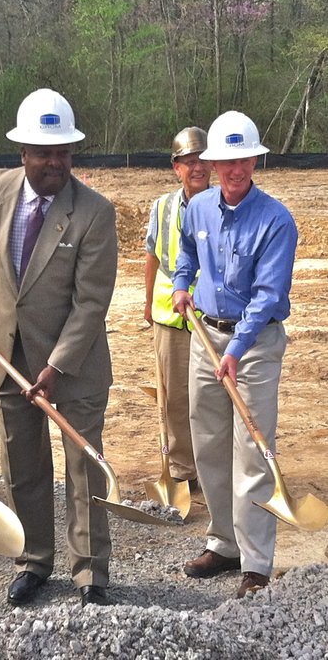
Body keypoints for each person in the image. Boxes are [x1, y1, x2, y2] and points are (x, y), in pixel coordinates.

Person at [0, 88, 117, 607]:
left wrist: (58, 367)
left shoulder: (94, 212)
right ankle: (34, 560)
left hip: (75, 363)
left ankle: (91, 573)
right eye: (44, 153)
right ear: (22, 153)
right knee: (23, 466)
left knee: (84, 467)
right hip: (8, 356)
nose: (54, 162)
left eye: (63, 152)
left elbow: (92, 304)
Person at [172, 111, 298, 598]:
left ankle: (256, 561)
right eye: (226, 161)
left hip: (256, 345)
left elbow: (268, 296)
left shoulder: (275, 220)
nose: (235, 169)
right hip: (206, 337)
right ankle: (223, 542)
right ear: (213, 163)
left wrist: (238, 350)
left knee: (252, 448)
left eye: (244, 158)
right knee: (208, 443)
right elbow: (184, 252)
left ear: (254, 159)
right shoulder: (198, 207)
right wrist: (183, 284)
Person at [144, 127, 211, 491]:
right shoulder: (163, 207)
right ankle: (184, 470)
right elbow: (153, 255)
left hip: (213, 316)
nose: (197, 167)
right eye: (189, 161)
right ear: (176, 167)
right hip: (170, 318)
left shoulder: (223, 203)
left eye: (202, 160)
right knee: (174, 398)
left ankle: (213, 464)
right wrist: (147, 300)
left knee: (209, 397)